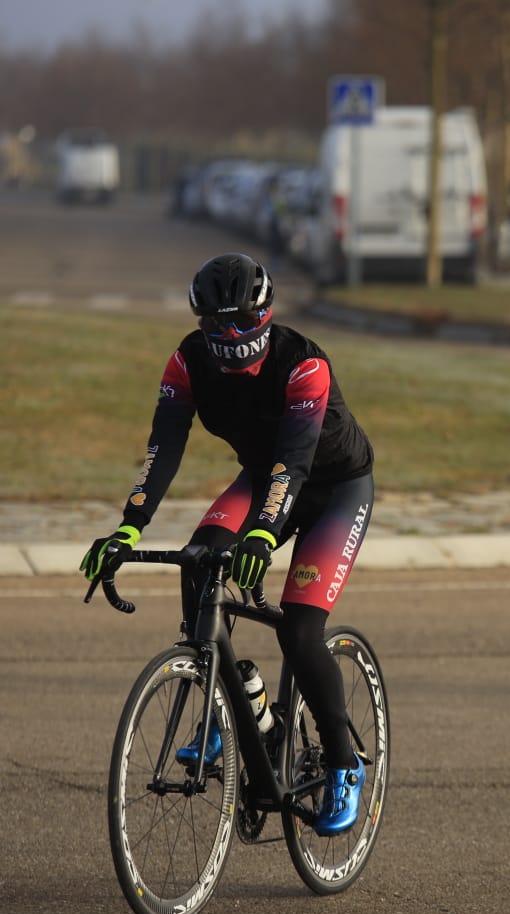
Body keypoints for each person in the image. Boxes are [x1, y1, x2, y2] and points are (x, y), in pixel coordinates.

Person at [81, 252, 375, 837]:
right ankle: (227, 694)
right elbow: (163, 450)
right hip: (267, 479)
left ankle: (343, 765)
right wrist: (128, 528)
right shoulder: (187, 363)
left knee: (298, 627)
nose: (230, 336)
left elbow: (294, 461)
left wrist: (265, 534)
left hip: (333, 489)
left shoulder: (304, 365)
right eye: (218, 325)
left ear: (265, 315)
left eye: (242, 322)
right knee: (198, 560)